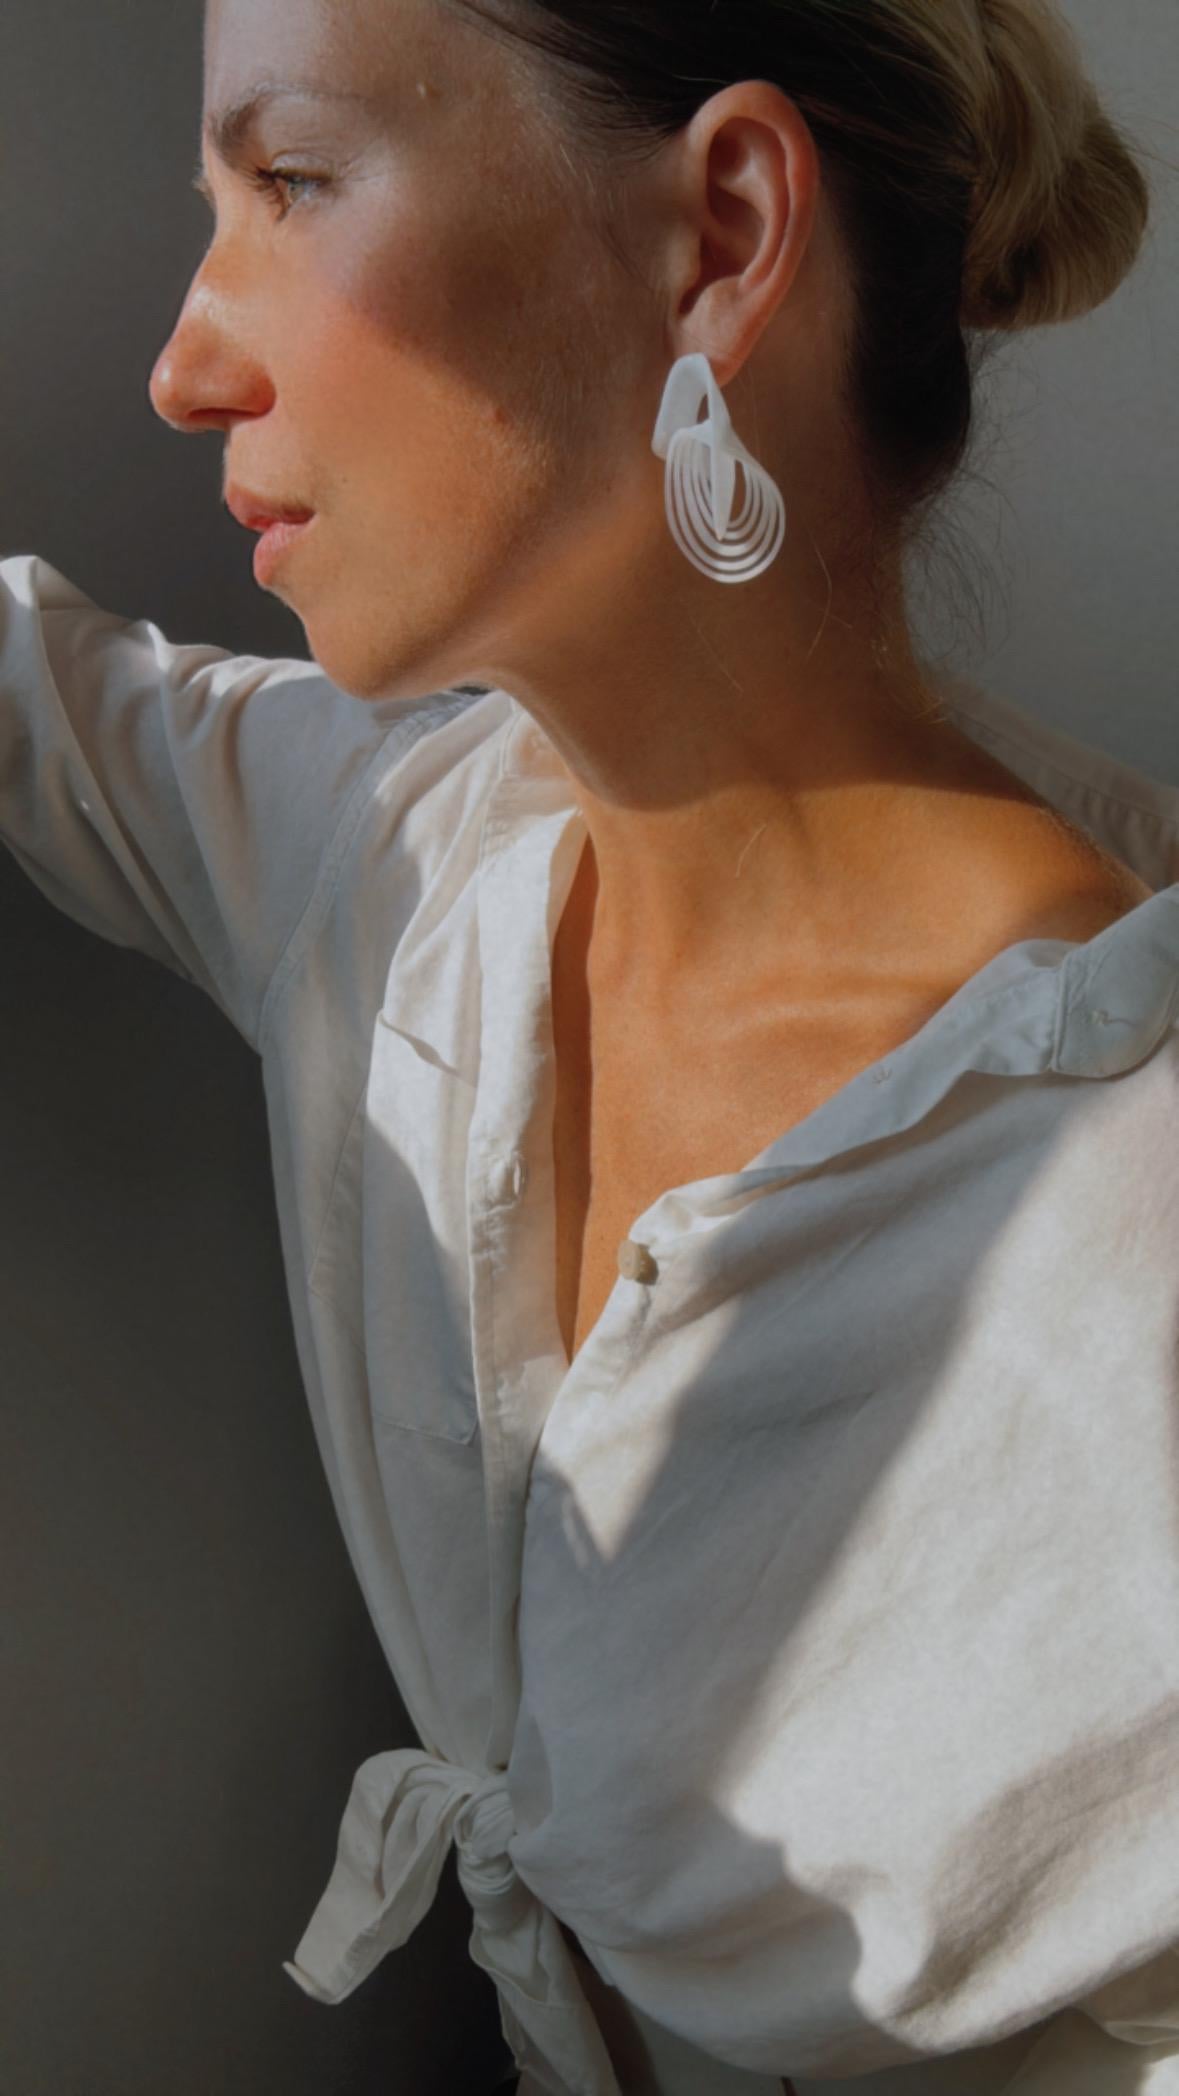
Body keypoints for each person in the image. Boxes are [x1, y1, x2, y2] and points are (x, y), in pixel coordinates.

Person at [3, 0, 1178, 2089]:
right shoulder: (398, 861)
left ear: (718, 233)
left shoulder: (1118, 1226)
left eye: (292, 182)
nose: (184, 363)